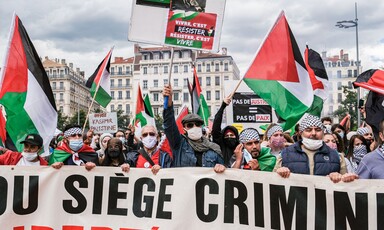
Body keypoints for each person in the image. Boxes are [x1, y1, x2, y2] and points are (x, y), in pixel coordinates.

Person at [275, 115, 357, 183]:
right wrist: (279, 172)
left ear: (323, 133)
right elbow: (272, 182)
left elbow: (345, 185)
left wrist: (341, 177)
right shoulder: (285, 154)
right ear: (300, 133)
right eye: (308, 130)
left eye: (318, 130)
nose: (313, 133)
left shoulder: (336, 156)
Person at [162, 85, 225, 173]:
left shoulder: (214, 148)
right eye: (190, 125)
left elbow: (225, 172)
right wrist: (169, 105)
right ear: (184, 129)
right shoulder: (179, 144)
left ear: (201, 127)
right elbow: (169, 125)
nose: (194, 127)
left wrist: (222, 167)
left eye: (197, 124)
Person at [211, 95, 239, 166]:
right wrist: (223, 106)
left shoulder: (240, 148)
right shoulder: (221, 145)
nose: (229, 137)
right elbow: (216, 129)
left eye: (231, 135)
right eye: (226, 135)